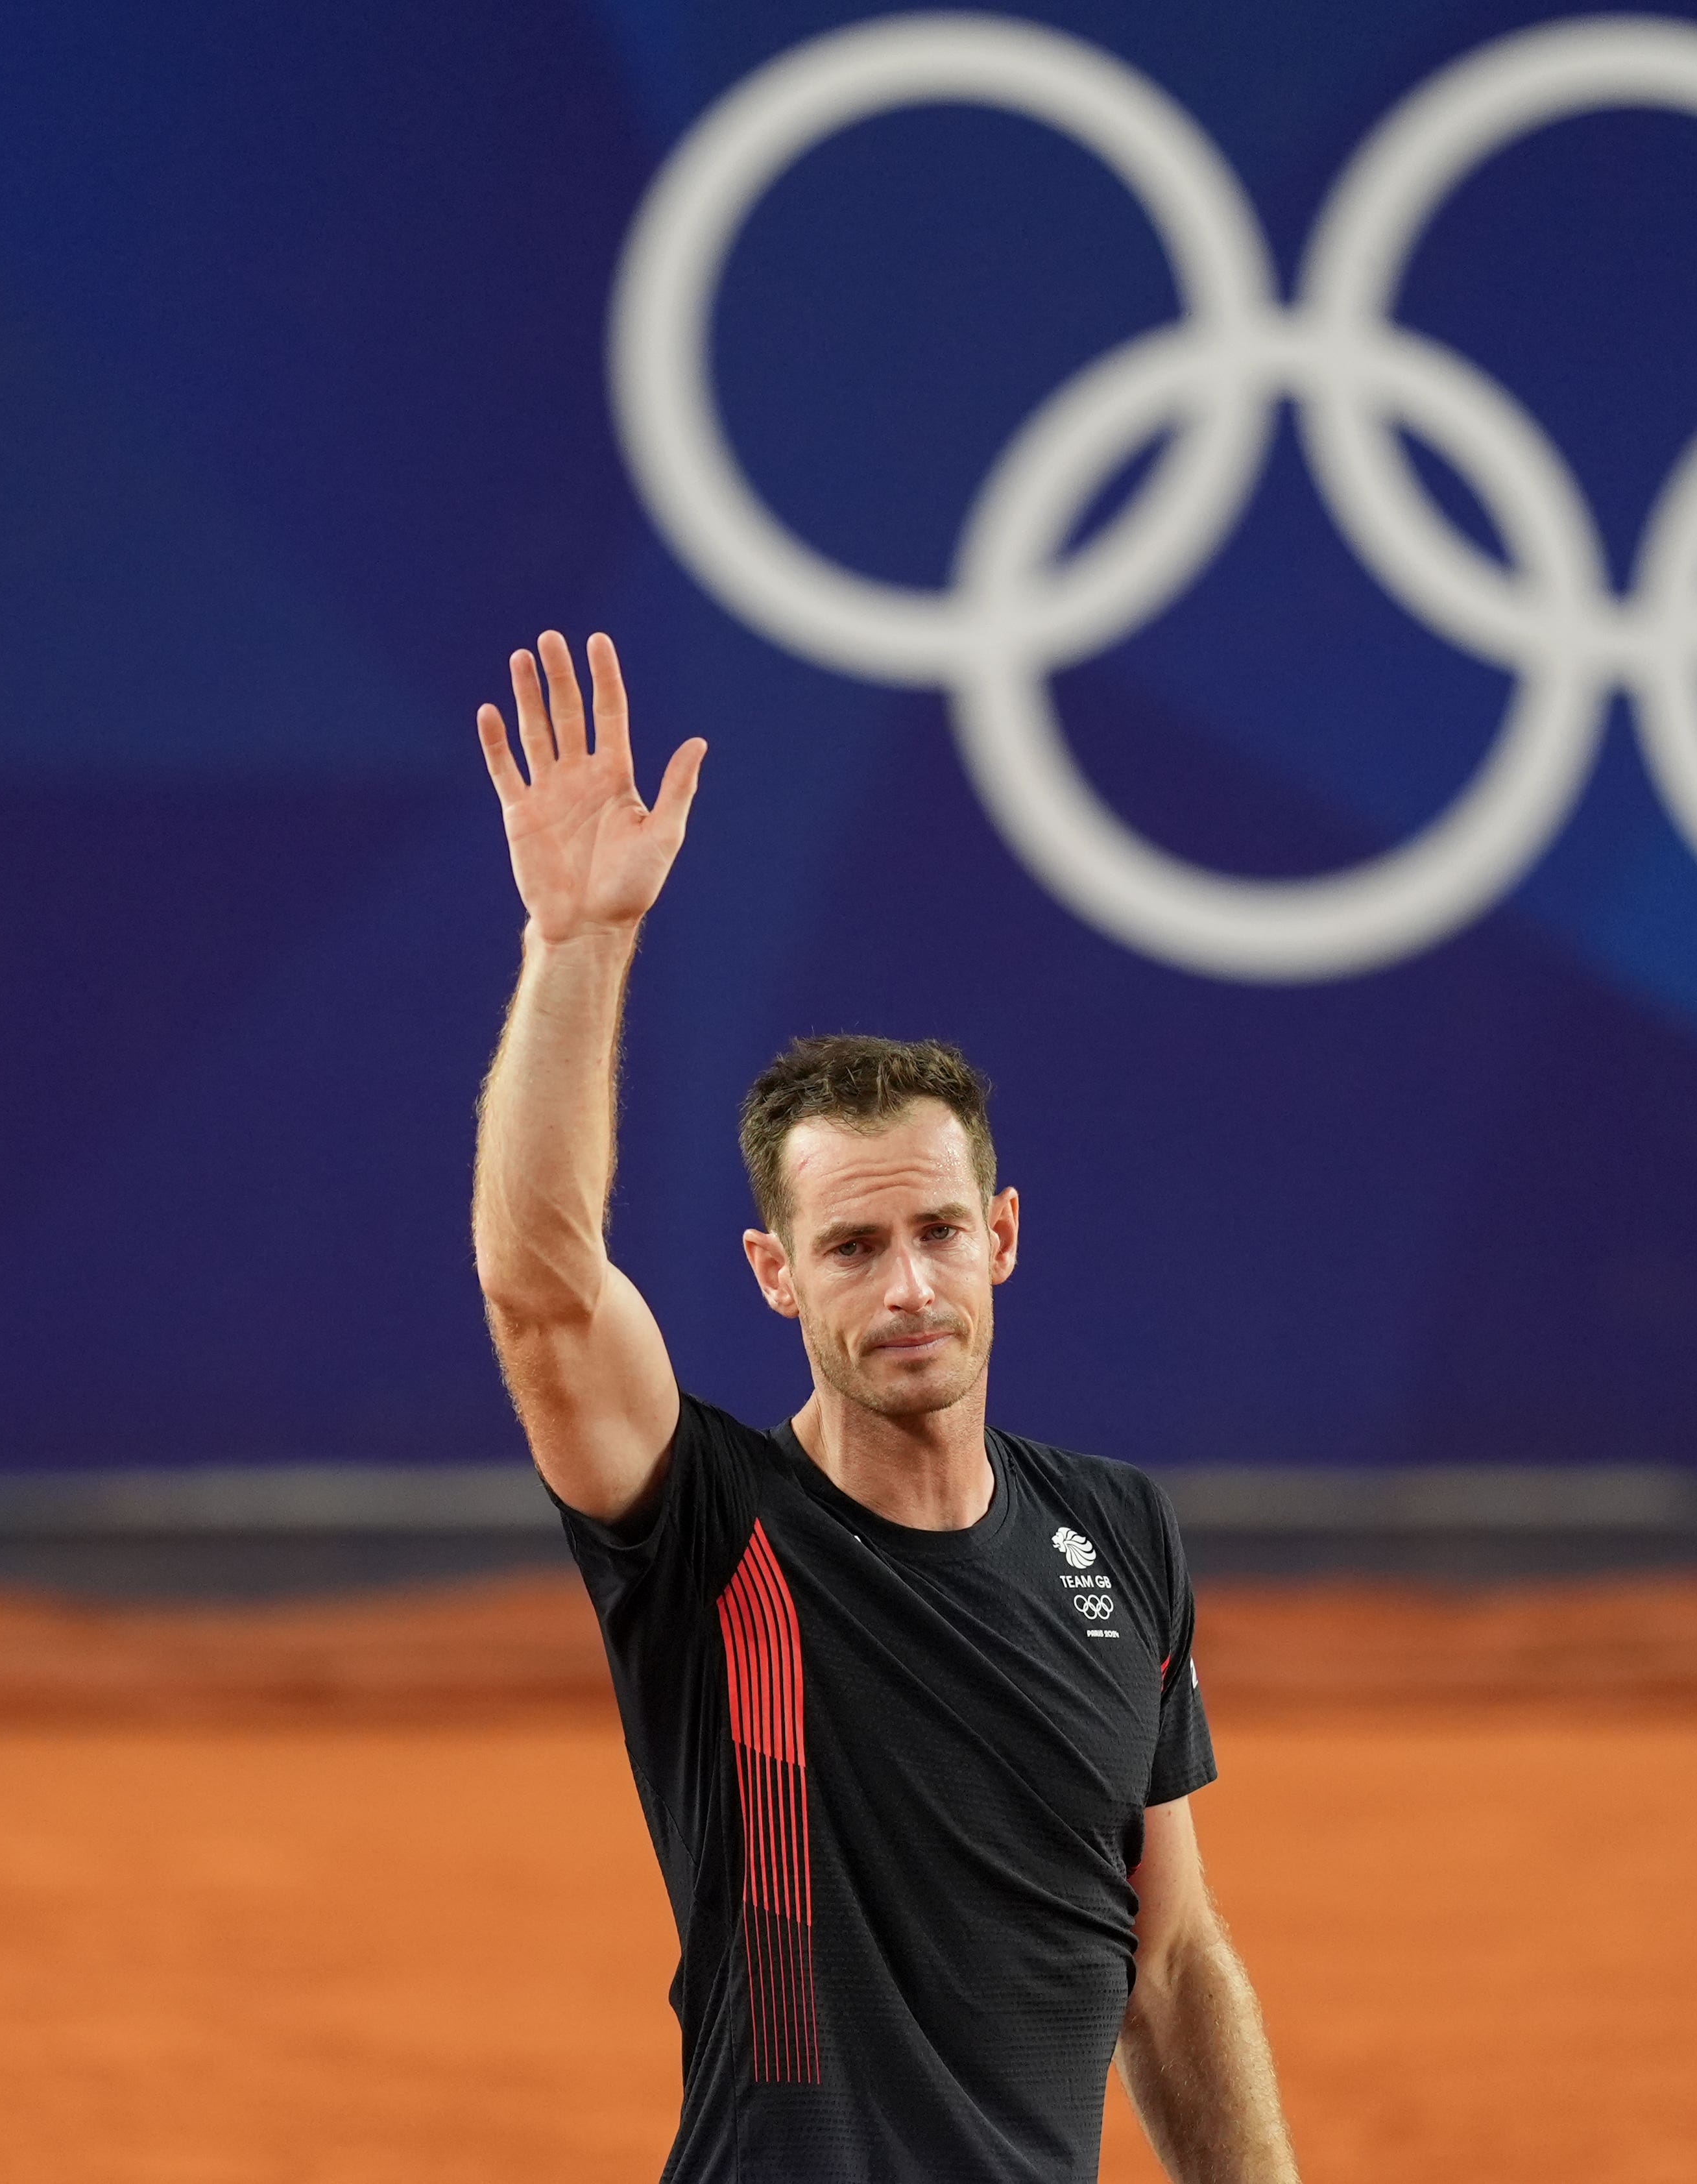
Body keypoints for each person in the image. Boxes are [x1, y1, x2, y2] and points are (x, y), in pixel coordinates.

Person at [470, 629, 1303, 2183]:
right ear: (774, 1275)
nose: (906, 1286)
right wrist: (574, 945)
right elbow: (542, 1290)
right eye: (850, 1247)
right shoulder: (707, 1531)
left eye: (934, 1233)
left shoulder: (1116, 1534)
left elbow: (1171, 1961)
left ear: (999, 1237)